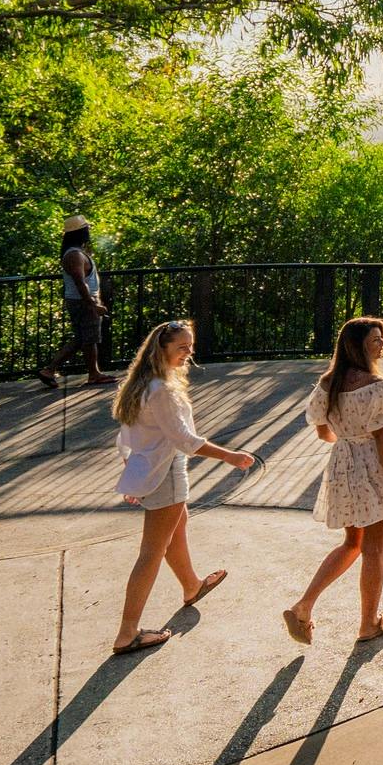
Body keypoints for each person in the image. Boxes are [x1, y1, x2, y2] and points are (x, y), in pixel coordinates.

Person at [110, 320, 256, 656]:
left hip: (151, 469)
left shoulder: (142, 383)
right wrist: (230, 456)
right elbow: (185, 441)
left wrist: (134, 467)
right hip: (166, 472)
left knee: (178, 524)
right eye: (181, 347)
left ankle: (191, 585)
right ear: (161, 348)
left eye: (190, 345)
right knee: (151, 552)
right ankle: (127, 633)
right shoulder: (162, 390)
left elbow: (126, 437)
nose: (189, 352)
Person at [284, 316, 383, 645]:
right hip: (374, 465)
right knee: (375, 549)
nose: (382, 344)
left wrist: (347, 437)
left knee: (352, 543)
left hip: (343, 464)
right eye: (375, 339)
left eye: (382, 338)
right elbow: (382, 439)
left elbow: (323, 432)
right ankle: (368, 624)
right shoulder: (375, 386)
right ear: (358, 346)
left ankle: (303, 606)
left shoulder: (328, 384)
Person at [40, 214, 113, 388]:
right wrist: (93, 304)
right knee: (90, 338)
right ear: (80, 232)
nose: (89, 232)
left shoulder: (75, 253)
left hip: (81, 301)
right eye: (86, 229)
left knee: (81, 338)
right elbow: (80, 282)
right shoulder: (74, 255)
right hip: (83, 302)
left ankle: (49, 370)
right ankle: (93, 374)